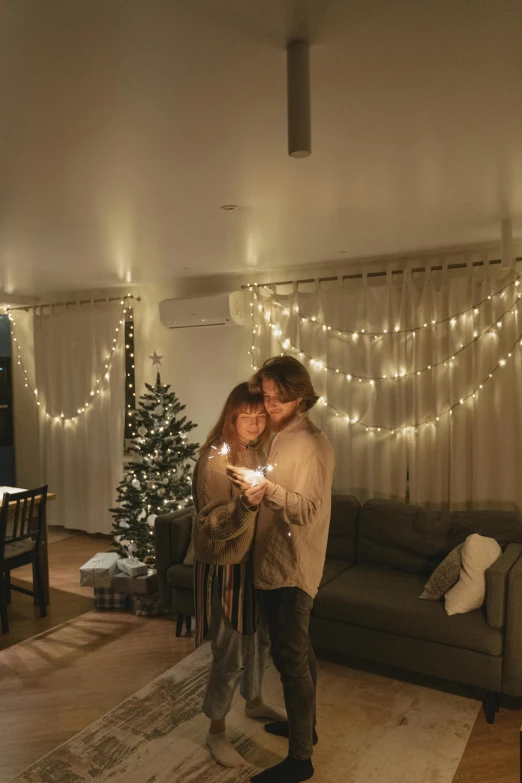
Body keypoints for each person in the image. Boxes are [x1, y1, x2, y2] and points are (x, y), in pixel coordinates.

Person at [227, 357, 334, 783]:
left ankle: (300, 760)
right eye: (266, 395)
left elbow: (307, 510)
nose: (268, 405)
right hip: (273, 559)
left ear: (300, 394)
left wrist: (264, 489)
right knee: (299, 650)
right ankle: (304, 727)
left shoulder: (309, 442)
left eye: (277, 397)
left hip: (291, 567)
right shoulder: (280, 435)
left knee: (290, 659)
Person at [192, 382, 286, 769]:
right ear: (232, 415)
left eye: (260, 415)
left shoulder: (255, 451)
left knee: (260, 639)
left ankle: (254, 700)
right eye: (246, 415)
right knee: (228, 652)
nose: (254, 422)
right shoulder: (216, 459)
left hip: (255, 565)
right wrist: (246, 506)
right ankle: (216, 731)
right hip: (226, 567)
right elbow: (211, 524)